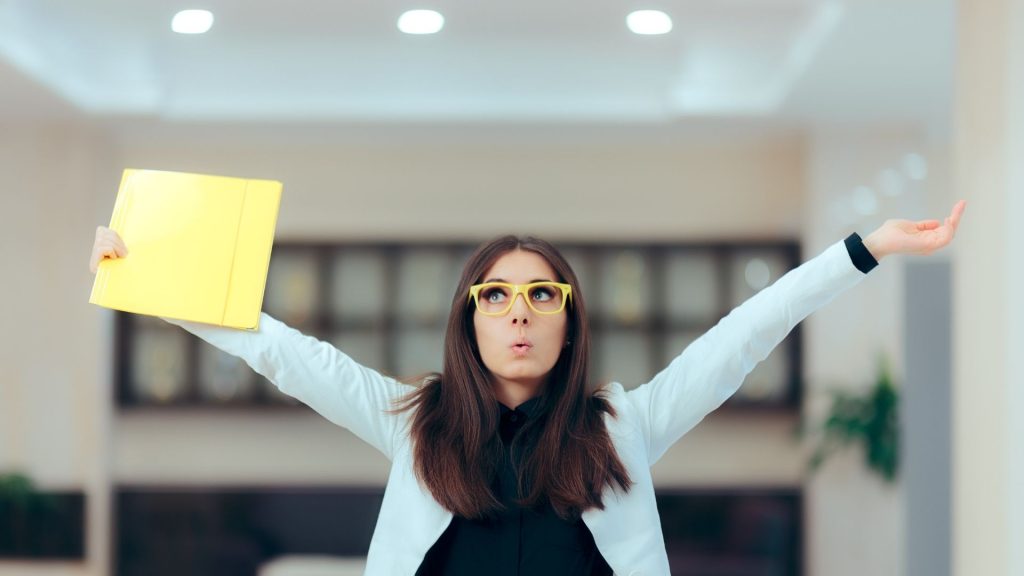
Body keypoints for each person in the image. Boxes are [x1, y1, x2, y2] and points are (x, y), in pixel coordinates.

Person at [88, 200, 966, 576]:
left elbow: (744, 336)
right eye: (497, 295)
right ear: (470, 319)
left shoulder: (623, 425)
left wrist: (868, 248)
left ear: (569, 321)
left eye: (542, 294)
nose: (520, 312)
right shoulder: (414, 424)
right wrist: (151, 282)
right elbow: (284, 351)